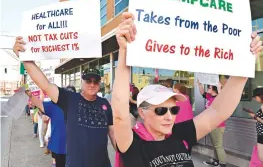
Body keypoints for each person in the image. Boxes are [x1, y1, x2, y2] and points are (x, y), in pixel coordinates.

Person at [111, 12, 262, 167]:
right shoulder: (132, 143)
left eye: (174, 110)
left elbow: (218, 112)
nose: (169, 117)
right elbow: (119, 113)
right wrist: (124, 53)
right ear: (142, 112)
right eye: (161, 111)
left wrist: (245, 67)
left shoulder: (179, 133)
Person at [13, 39, 115, 167]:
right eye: (88, 80)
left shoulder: (104, 103)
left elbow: (112, 132)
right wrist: (24, 58)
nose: (92, 84)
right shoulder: (70, 99)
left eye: (96, 81)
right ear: (82, 82)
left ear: (100, 83)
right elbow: (44, 83)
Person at [26, 90, 67, 167]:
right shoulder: (54, 106)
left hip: (74, 147)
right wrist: (30, 96)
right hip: (59, 146)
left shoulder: (78, 107)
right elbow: (39, 104)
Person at [197, 81, 227, 166]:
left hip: (217, 125)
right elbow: (203, 93)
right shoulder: (210, 97)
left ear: (214, 90)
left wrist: (219, 88)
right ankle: (216, 161)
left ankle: (223, 164)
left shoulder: (218, 99)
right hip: (211, 125)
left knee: (218, 146)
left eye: (209, 87)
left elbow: (222, 98)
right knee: (215, 145)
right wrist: (200, 84)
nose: (208, 89)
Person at [247, 87, 263, 163]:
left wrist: (255, 116)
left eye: (255, 97)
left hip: (262, 134)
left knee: (261, 156)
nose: (254, 99)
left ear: (261, 96)